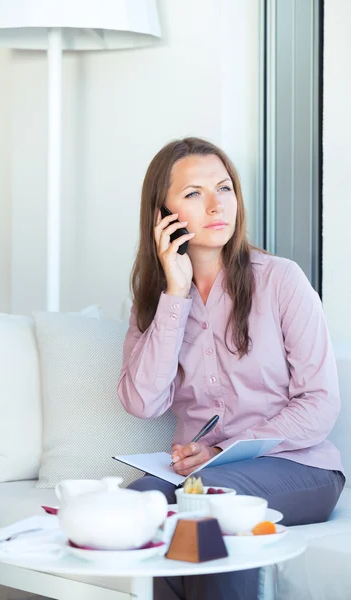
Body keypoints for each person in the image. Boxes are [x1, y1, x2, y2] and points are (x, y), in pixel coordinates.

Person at [117, 137, 345, 600]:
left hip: (300, 469)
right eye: (194, 193)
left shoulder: (281, 280)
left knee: (208, 500)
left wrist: (222, 450)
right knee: (137, 503)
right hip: (202, 474)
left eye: (224, 188)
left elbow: (321, 404)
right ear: (162, 214)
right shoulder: (156, 302)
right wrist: (175, 295)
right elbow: (143, 403)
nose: (217, 204)